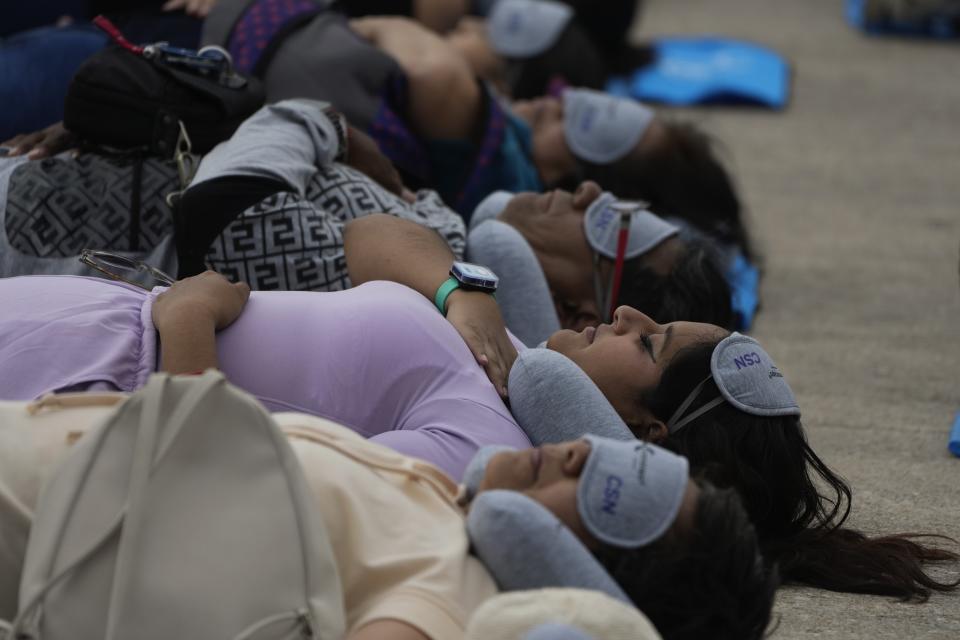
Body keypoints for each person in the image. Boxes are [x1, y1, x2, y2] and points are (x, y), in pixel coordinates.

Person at [0, 386, 776, 640]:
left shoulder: (446, 591)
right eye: (620, 456)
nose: (579, 451)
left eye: (617, 501)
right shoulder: (449, 500)